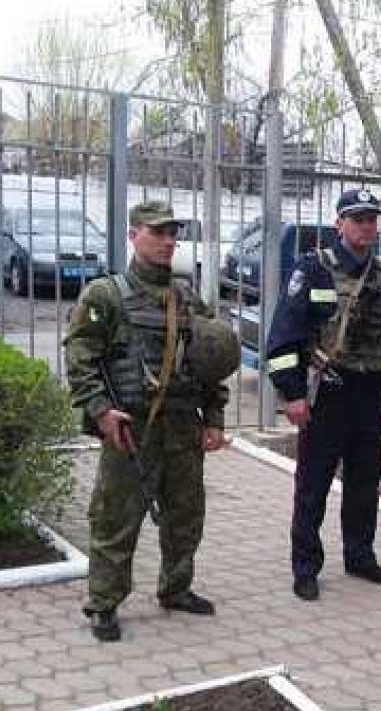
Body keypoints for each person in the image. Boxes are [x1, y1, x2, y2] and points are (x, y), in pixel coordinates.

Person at [64, 200, 238, 643]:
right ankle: (104, 603)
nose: (167, 241)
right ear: (133, 235)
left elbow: (209, 363)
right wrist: (102, 411)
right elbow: (80, 355)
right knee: (116, 517)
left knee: (185, 514)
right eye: (157, 232)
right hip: (131, 428)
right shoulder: (105, 294)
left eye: (172, 233)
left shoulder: (185, 297)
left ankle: (176, 588)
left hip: (182, 427)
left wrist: (214, 418)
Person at [265, 188, 381, 602]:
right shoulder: (313, 270)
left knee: (365, 482)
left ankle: (360, 556)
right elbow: (283, 339)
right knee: (313, 485)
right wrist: (292, 396)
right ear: (339, 224)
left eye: (371, 218)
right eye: (357, 218)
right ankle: (306, 567)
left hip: (373, 394)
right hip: (329, 393)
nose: (366, 225)